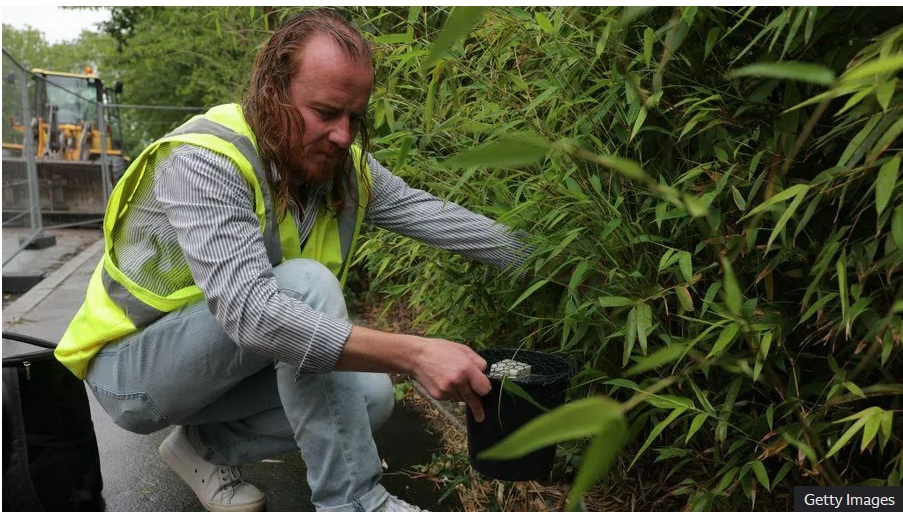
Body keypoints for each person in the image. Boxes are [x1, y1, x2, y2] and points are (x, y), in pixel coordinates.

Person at [55, 8, 526, 512]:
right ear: (272, 92)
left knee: (370, 397)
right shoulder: (206, 160)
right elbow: (254, 314)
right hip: (134, 372)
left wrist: (542, 262)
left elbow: (436, 217)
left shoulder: (344, 170)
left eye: (355, 117)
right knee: (303, 285)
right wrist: (415, 354)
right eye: (325, 113)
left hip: (222, 366)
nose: (344, 135)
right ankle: (354, 502)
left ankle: (204, 448)